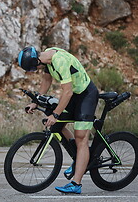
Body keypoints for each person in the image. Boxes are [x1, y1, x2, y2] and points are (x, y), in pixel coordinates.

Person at [17, 46, 99, 194]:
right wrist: (35, 101)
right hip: (74, 95)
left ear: (37, 61)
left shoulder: (59, 61)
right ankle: (78, 158)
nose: (37, 68)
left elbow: (66, 92)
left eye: (35, 67)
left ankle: (76, 184)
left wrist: (55, 115)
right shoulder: (47, 58)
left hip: (86, 94)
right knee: (59, 127)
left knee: (81, 137)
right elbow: (46, 81)